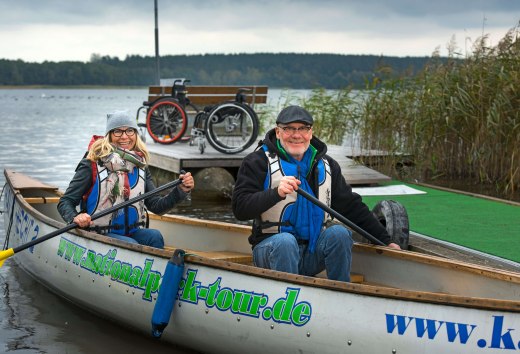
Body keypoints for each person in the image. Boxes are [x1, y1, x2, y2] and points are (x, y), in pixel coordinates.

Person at [232, 105, 400, 282]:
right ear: (278, 132)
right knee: (285, 242)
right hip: (271, 252)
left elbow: (351, 206)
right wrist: (275, 193)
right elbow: (240, 209)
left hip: (312, 253)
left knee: (339, 234)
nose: (296, 135)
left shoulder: (327, 165)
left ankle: (341, 291)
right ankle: (287, 299)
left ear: (311, 133)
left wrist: (385, 240)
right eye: (289, 129)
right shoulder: (257, 162)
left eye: (302, 129)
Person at [58, 110, 194, 249]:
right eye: (117, 131)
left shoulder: (140, 165)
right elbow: (65, 201)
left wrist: (180, 191)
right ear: (109, 135)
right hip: (98, 235)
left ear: (135, 134)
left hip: (131, 232)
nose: (124, 137)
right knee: (130, 244)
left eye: (130, 131)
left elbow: (156, 206)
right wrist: (75, 217)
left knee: (155, 236)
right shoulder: (91, 164)